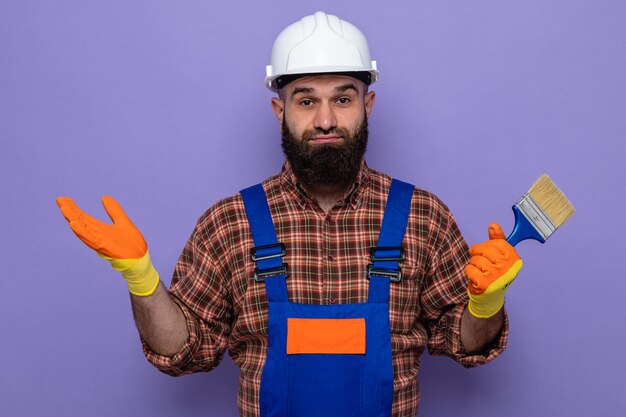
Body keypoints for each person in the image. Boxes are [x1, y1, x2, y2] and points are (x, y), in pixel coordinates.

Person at [56, 11, 522, 417]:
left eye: (342, 98)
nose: (324, 120)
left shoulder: (423, 217)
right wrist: (141, 279)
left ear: (368, 104)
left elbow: (468, 343)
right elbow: (182, 351)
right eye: (306, 100)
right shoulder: (229, 223)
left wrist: (486, 305)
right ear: (279, 109)